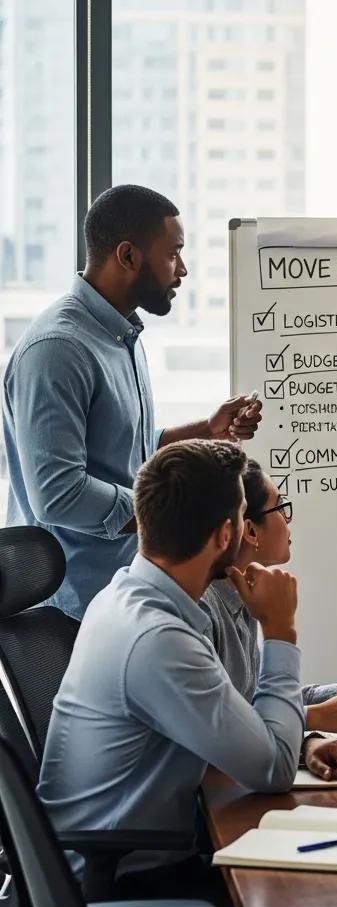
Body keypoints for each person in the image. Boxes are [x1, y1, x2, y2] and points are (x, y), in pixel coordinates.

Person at [37, 439, 337, 875]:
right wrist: (281, 631)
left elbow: (245, 724)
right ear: (225, 534)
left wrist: (305, 734)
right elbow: (273, 769)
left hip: (126, 860)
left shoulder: (125, 596)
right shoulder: (159, 639)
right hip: (132, 882)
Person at [3, 184, 264, 620]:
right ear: (127, 256)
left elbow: (127, 452)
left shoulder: (121, 335)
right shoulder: (58, 349)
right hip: (72, 609)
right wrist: (172, 517)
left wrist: (207, 430)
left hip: (117, 593)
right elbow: (59, 494)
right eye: (173, 254)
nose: (183, 269)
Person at [202, 457, 337, 729]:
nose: (289, 519)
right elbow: (223, 727)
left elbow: (258, 703)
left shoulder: (242, 597)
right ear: (251, 530)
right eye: (280, 508)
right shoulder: (204, 609)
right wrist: (319, 717)